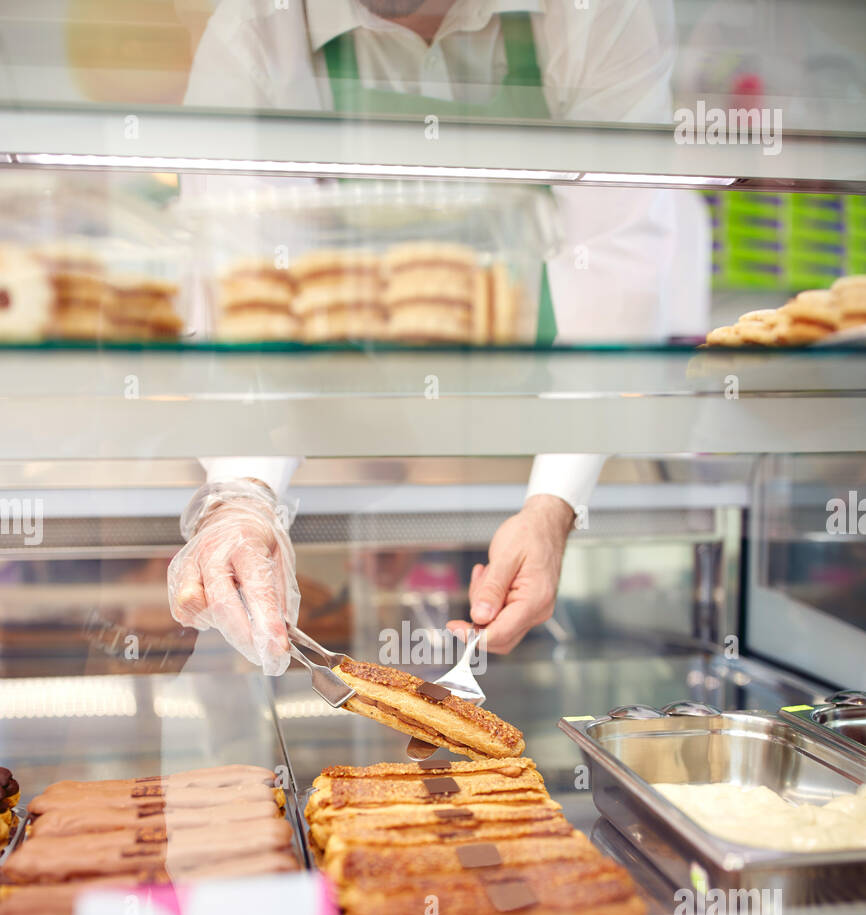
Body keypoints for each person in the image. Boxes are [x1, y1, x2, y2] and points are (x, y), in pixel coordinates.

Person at [169, 0, 709, 666]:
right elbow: (245, 304)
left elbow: (619, 262)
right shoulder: (259, 27)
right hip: (340, 453)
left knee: (584, 663)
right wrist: (245, 497)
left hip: (564, 434)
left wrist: (553, 506)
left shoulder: (594, 12)